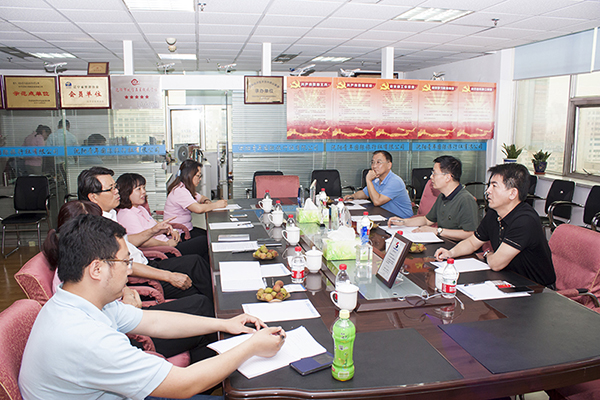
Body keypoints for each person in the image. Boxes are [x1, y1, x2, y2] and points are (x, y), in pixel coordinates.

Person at [19, 214, 285, 400]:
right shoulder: (86, 338)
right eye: (125, 262)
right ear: (96, 269)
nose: (130, 270)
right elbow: (184, 384)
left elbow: (155, 321)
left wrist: (224, 323)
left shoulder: (79, 301)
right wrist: (251, 346)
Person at [43, 200, 218, 364]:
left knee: (201, 310)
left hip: (126, 321)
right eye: (125, 263)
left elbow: (151, 322)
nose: (129, 270)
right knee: (202, 317)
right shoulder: (86, 334)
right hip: (130, 340)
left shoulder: (79, 279)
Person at [78, 166, 214, 300]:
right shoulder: (97, 228)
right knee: (198, 291)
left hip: (145, 263)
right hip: (140, 276)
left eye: (116, 187)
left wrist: (154, 230)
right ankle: (217, 303)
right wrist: (169, 275)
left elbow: (131, 241)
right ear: (93, 197)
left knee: (196, 264)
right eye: (111, 189)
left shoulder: (111, 214)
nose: (116, 191)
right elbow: (126, 265)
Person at [435, 163, 556, 288]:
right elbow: (472, 242)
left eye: (494, 186)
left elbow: (496, 264)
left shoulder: (525, 220)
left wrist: (487, 254)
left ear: (512, 193)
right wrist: (451, 253)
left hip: (537, 288)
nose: (488, 191)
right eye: (489, 185)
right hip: (508, 278)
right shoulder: (494, 213)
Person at [116, 172, 208, 258]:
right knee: (204, 242)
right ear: (126, 192)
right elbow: (143, 242)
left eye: (143, 188)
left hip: (167, 243)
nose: (143, 192)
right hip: (163, 251)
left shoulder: (140, 208)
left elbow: (155, 226)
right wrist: (167, 244)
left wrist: (172, 230)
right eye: (138, 189)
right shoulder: (127, 215)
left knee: (204, 244)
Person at [388, 155, 479, 241]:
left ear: (448, 177)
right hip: (443, 243)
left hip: (457, 248)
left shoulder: (465, 199)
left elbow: (470, 234)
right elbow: (427, 220)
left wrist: (438, 231)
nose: (431, 177)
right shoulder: (442, 197)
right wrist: (403, 222)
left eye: (434, 173)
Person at [164, 159, 227, 242]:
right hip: (179, 235)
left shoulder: (184, 188)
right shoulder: (180, 191)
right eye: (198, 176)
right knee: (207, 240)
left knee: (210, 235)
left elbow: (201, 197)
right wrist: (216, 205)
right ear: (189, 175)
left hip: (186, 230)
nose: (199, 179)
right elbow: (198, 209)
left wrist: (207, 202)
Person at [343, 150, 413, 218]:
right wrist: (352, 196)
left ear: (389, 165)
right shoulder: (376, 180)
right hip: (384, 216)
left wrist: (368, 180)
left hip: (401, 220)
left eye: (378, 162)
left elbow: (377, 201)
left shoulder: (395, 181)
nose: (374, 166)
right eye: (373, 162)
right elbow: (365, 193)